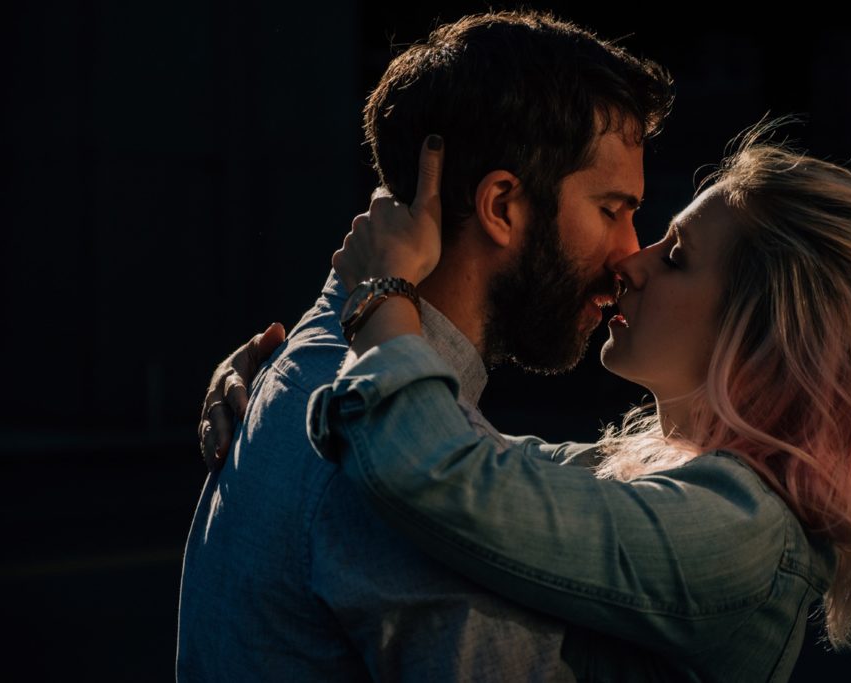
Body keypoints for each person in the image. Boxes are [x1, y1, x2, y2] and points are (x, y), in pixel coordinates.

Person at [301, 117, 851, 681]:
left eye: (676, 257)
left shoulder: (738, 534)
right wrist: (271, 383)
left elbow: (438, 471)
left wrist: (385, 290)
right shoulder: (649, 472)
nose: (629, 262)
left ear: (763, 336)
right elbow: (438, 444)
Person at [178, 10, 672, 681]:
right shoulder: (403, 470)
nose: (630, 252)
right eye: (613, 209)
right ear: (501, 205)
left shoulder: (303, 367)